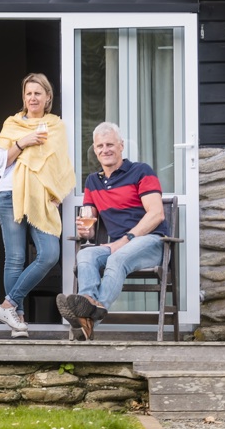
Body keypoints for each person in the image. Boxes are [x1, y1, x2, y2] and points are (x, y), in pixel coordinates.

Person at [56, 121, 170, 340]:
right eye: (100, 146)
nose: (105, 150)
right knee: (85, 253)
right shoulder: (92, 181)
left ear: (121, 146)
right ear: (95, 150)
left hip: (151, 241)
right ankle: (87, 304)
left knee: (117, 259)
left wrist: (125, 240)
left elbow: (156, 214)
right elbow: (89, 223)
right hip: (118, 245)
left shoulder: (141, 171)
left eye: (110, 144)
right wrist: (84, 232)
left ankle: (89, 319)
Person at [0, 73, 75, 338]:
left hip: (41, 199)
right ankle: (18, 321)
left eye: (38, 93)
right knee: (15, 258)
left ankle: (8, 304)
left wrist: (58, 191)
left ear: (48, 97)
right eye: (28, 93)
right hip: (10, 196)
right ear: (24, 97)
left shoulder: (56, 126)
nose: (32, 98)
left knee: (49, 254)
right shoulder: (13, 124)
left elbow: (61, 164)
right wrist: (22, 143)